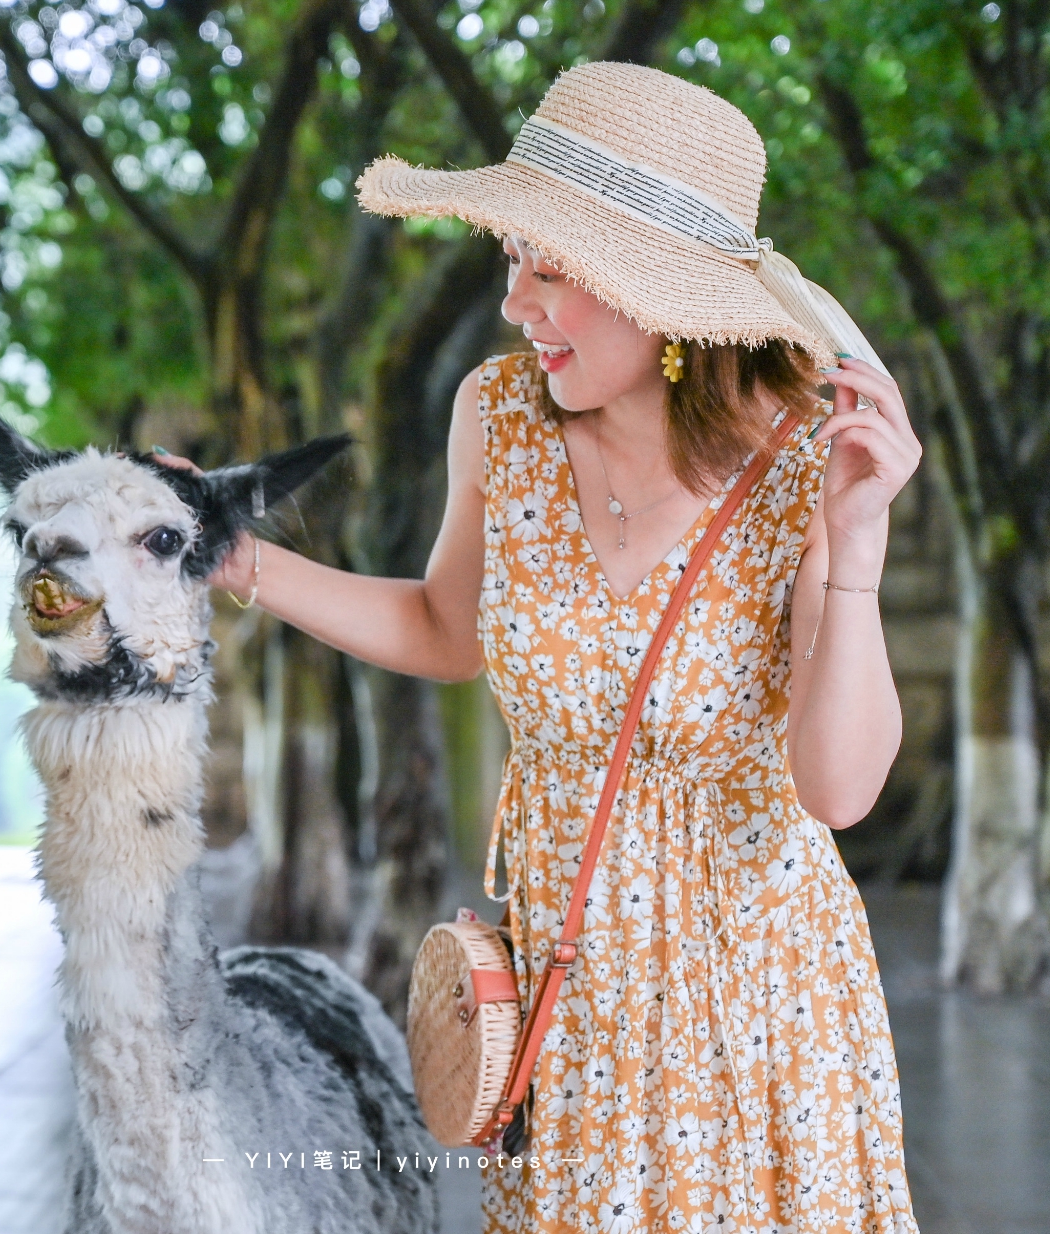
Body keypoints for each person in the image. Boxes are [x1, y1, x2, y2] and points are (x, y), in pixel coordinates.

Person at [209, 63, 921, 1232]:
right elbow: (448, 629)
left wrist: (855, 545)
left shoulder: (807, 463)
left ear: (662, 296)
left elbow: (838, 788)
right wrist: (237, 558)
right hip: (567, 994)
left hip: (756, 1008)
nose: (514, 302)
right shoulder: (497, 419)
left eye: (552, 268)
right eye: (511, 257)